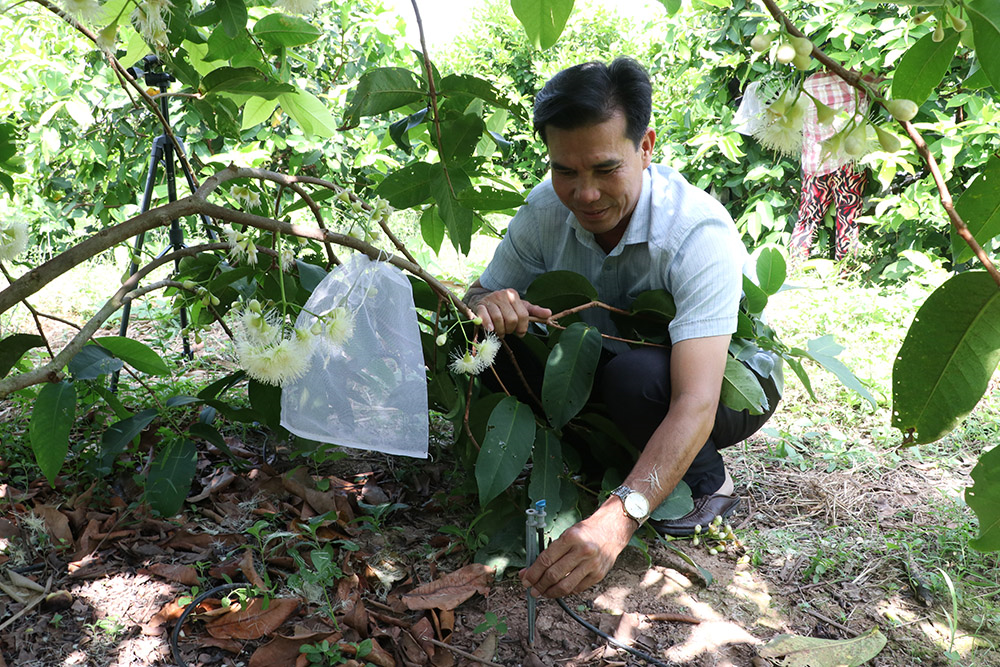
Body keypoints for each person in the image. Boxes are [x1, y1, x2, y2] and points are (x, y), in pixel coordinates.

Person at [464, 58, 780, 599]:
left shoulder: (695, 232)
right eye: (565, 171)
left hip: (729, 387)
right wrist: (491, 305)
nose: (584, 194)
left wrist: (619, 518)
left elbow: (697, 401)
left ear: (646, 147)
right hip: (607, 362)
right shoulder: (544, 211)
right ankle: (601, 449)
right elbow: (474, 298)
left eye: (605, 169)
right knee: (487, 346)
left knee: (636, 379)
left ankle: (709, 484)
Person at [789, 70, 870, 261]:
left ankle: (794, 264)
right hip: (847, 160)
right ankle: (847, 268)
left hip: (815, 163)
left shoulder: (808, 83)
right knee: (848, 218)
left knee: (807, 218)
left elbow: (800, 121)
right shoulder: (855, 80)